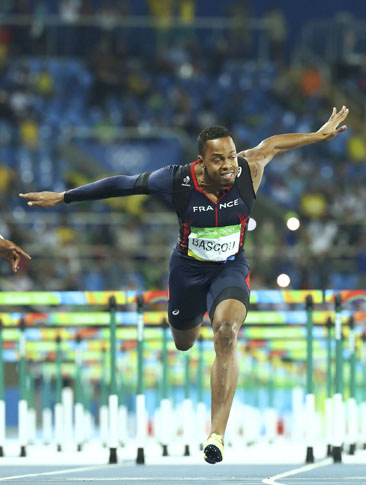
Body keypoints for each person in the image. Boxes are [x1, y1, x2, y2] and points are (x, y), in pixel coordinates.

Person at [20, 106, 349, 464]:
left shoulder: (248, 169)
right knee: (184, 342)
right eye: (219, 160)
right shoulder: (175, 179)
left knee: (226, 332)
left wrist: (318, 135)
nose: (228, 165)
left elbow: (273, 144)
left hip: (230, 269)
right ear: (202, 162)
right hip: (187, 273)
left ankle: (217, 435)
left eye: (230, 156)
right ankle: (185, 321)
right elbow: (122, 184)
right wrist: (65, 196)